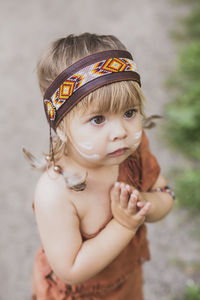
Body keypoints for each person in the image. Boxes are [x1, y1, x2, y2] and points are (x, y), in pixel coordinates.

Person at [24, 33, 175, 300]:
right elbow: (70, 269)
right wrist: (125, 225)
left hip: (126, 283)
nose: (119, 132)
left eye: (129, 113)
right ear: (60, 127)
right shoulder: (56, 191)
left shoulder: (133, 152)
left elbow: (166, 196)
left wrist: (143, 203)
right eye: (97, 119)